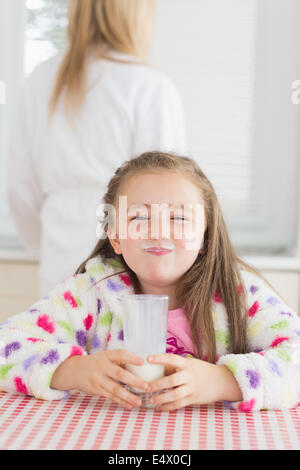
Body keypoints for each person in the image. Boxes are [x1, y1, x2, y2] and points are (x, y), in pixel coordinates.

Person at [1, 150, 300, 413]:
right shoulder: (89, 294)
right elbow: (6, 344)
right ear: (115, 236)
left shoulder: (240, 295)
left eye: (179, 218)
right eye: (139, 218)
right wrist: (72, 370)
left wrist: (224, 381)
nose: (158, 232)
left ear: (205, 238)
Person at [6, 0, 186, 297]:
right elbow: (169, 194)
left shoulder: (42, 80)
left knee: (60, 342)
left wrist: (44, 245)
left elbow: (19, 190)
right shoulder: (150, 86)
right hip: (130, 264)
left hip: (58, 260)